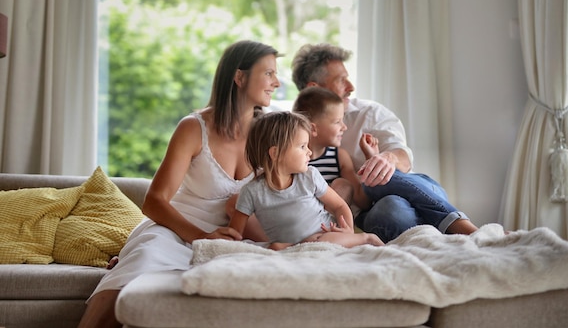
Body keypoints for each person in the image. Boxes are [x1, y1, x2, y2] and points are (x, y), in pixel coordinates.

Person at [78, 40, 280, 328]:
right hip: (175, 230)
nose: (277, 82)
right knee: (144, 259)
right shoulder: (194, 127)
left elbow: (286, 192)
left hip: (232, 237)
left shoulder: (270, 133)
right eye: (269, 73)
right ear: (239, 77)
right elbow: (154, 201)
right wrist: (202, 238)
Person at [291, 43, 478, 242]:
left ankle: (462, 226)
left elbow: (403, 160)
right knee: (392, 211)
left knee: (376, 180)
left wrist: (384, 159)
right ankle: (440, 235)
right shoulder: (290, 136)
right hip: (374, 211)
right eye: (341, 80)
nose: (351, 87)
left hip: (416, 190)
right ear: (315, 88)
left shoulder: (370, 114)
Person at [228, 111, 384, 250]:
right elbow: (234, 234)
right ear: (275, 153)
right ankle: (296, 247)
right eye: (302, 146)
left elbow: (339, 206)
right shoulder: (251, 192)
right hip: (294, 247)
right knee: (275, 247)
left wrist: (348, 230)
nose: (309, 152)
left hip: (324, 235)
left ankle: (367, 238)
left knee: (319, 241)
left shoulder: (310, 176)